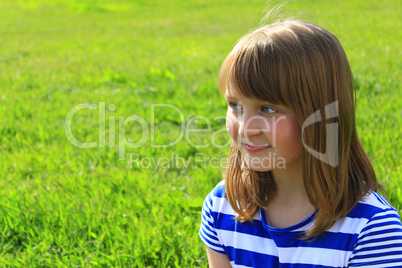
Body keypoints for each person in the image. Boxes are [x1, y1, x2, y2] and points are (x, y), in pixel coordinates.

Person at [199, 20, 402, 267]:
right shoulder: (223, 206)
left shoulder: (372, 229)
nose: (246, 129)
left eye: (267, 108)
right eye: (235, 106)